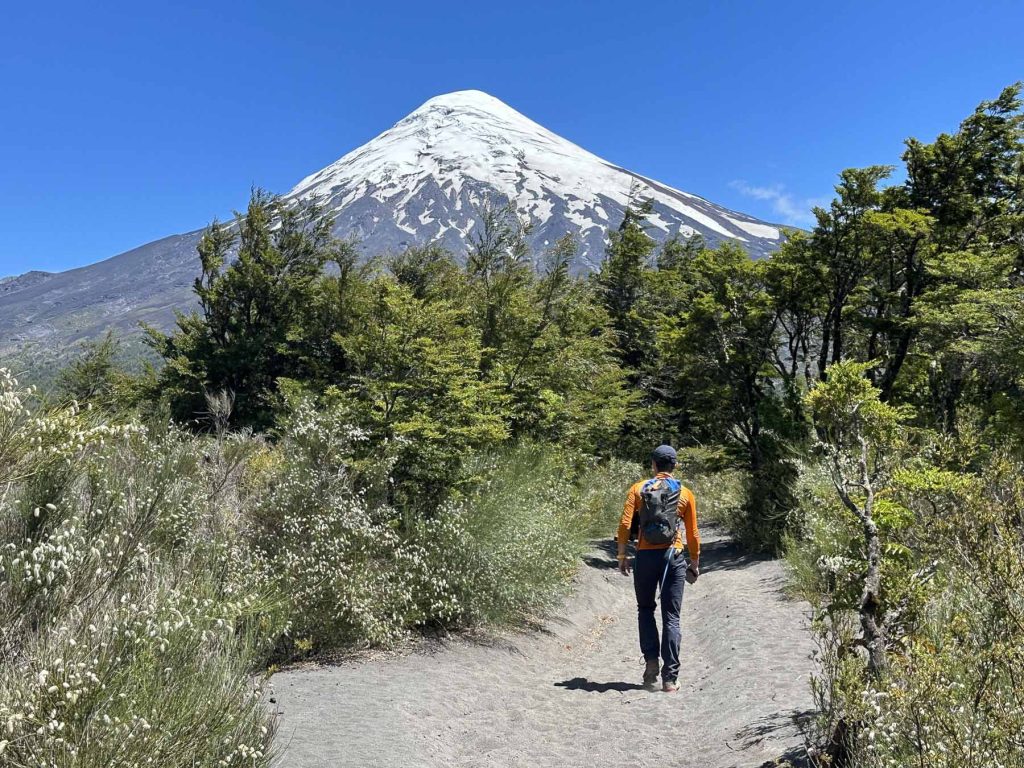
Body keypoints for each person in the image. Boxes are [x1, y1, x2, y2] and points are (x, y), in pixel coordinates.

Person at [616, 444, 700, 693]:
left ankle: (651, 662)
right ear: (674, 465)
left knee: (645, 609)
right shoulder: (685, 493)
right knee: (671, 616)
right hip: (673, 557)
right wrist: (694, 561)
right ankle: (670, 679)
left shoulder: (638, 489)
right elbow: (693, 533)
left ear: (653, 465)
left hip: (644, 557)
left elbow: (623, 524)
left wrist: (622, 554)